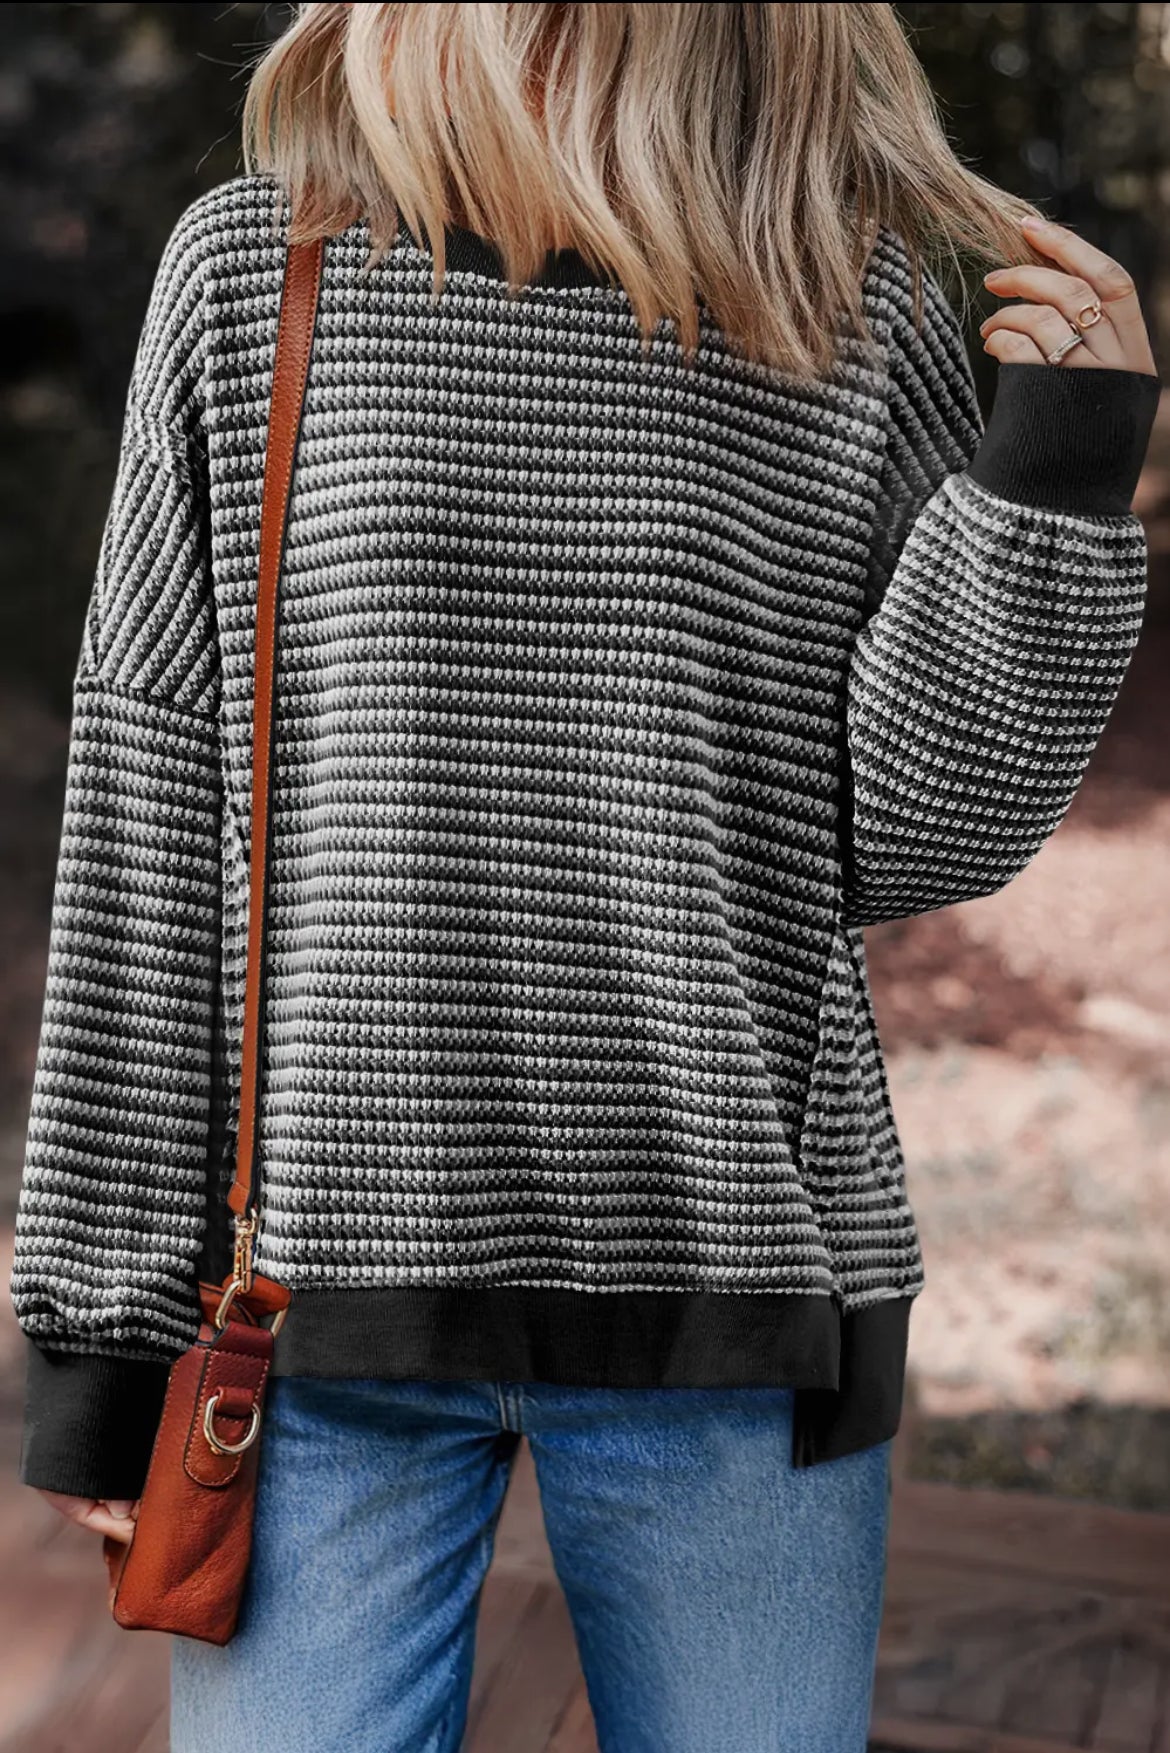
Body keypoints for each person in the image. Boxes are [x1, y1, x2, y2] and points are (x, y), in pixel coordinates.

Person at [11, 5, 1161, 1750]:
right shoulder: (264, 260)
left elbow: (912, 838)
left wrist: (1057, 476)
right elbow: (149, 785)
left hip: (737, 1277)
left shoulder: (842, 296)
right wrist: (104, 1329)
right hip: (317, 1308)